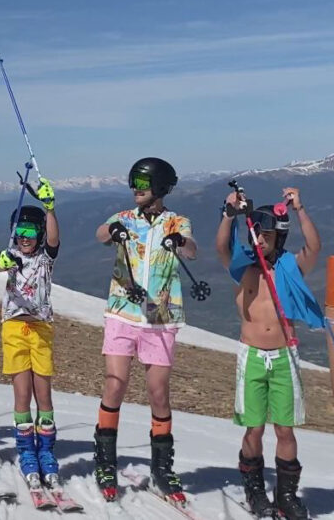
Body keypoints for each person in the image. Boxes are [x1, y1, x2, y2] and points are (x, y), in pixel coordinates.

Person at [92, 157, 196, 503]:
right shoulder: (124, 217)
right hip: (122, 311)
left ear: (160, 187)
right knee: (115, 384)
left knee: (158, 392)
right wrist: (113, 231)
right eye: (133, 182)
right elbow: (101, 234)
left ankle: (162, 468)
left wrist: (179, 242)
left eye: (142, 184)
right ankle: (105, 462)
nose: (135, 189)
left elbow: (192, 250)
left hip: (161, 317)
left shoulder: (177, 221)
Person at [215, 186, 322, 520]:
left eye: (267, 235)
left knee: (285, 429)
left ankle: (286, 495)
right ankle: (255, 489)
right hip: (251, 356)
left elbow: (314, 248)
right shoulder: (243, 268)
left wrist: (300, 209)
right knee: (254, 428)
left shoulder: (289, 268)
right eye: (256, 234)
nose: (260, 240)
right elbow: (221, 246)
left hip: (284, 356)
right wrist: (229, 214)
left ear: (279, 236)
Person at [0, 187, 61, 489]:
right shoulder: (12, 256)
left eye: (31, 231)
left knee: (43, 393)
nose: (25, 237)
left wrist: (50, 209)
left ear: (40, 233)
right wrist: (2, 261)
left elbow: (54, 240)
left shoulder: (45, 258)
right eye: (19, 231)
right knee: (22, 393)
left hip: (40, 329)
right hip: (15, 328)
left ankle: (46, 450)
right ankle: (26, 451)